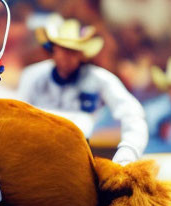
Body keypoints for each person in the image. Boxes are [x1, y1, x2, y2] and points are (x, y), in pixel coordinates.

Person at [11, 17, 147, 165]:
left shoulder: (99, 78)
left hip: (81, 157)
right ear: (53, 49)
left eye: (73, 51)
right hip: (36, 152)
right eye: (63, 48)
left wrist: (128, 152)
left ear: (81, 54)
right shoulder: (33, 76)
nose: (67, 56)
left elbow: (133, 113)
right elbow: (17, 115)